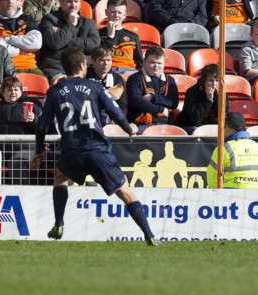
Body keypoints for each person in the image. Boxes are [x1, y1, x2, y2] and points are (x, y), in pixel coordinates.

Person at [30, 46, 159, 246]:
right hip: (97, 150)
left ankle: (59, 223)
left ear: (64, 68)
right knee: (125, 192)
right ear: (83, 65)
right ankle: (149, 235)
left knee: (61, 177)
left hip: (71, 151)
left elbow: (41, 125)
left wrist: (38, 152)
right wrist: (129, 128)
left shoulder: (54, 90)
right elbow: (116, 113)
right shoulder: (95, 87)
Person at [0, 76, 43, 184]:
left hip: (25, 149)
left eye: (16, 89)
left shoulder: (34, 104)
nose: (13, 92)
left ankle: (22, 195)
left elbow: (44, 128)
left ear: (21, 91)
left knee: (16, 163)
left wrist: (34, 120)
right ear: (3, 93)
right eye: (9, 90)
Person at [38, 0, 101, 82]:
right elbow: (55, 43)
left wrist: (64, 35)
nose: (73, 5)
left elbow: (94, 45)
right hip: (58, 69)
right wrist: (71, 25)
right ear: (61, 2)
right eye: (69, 1)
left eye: (76, 1)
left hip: (83, 70)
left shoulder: (88, 22)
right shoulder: (49, 19)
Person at [0, 0, 44, 76]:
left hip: (30, 66)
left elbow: (36, 43)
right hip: (3, 68)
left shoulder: (27, 18)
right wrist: (20, 50)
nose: (10, 2)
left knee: (43, 83)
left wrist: (6, 40)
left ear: (17, 1)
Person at [206, 111, 258, 189]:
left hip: (230, 196)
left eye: (223, 126)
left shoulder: (223, 149)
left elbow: (213, 181)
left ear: (228, 126)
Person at [125, 46, 179, 130]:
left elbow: (173, 102)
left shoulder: (169, 80)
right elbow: (137, 101)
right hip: (142, 124)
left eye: (159, 63)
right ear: (144, 61)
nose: (156, 66)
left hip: (165, 124)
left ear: (164, 63)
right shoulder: (135, 78)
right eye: (152, 62)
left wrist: (152, 97)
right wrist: (160, 109)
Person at [174, 63, 230, 134]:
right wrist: (209, 100)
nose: (214, 84)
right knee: (198, 131)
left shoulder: (222, 94)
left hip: (210, 126)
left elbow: (221, 118)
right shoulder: (192, 92)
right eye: (211, 80)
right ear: (204, 81)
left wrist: (218, 98)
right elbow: (196, 119)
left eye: (217, 80)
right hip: (189, 125)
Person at [98, 0, 142, 73]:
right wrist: (110, 37)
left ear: (124, 15)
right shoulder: (98, 33)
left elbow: (140, 62)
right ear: (106, 12)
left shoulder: (133, 36)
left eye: (119, 12)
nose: (116, 15)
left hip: (129, 72)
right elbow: (100, 57)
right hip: (108, 72)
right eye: (113, 12)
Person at [85, 45, 127, 124]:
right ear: (93, 61)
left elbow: (121, 105)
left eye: (108, 60)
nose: (106, 64)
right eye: (102, 60)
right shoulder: (84, 77)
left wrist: (115, 121)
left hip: (110, 120)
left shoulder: (117, 79)